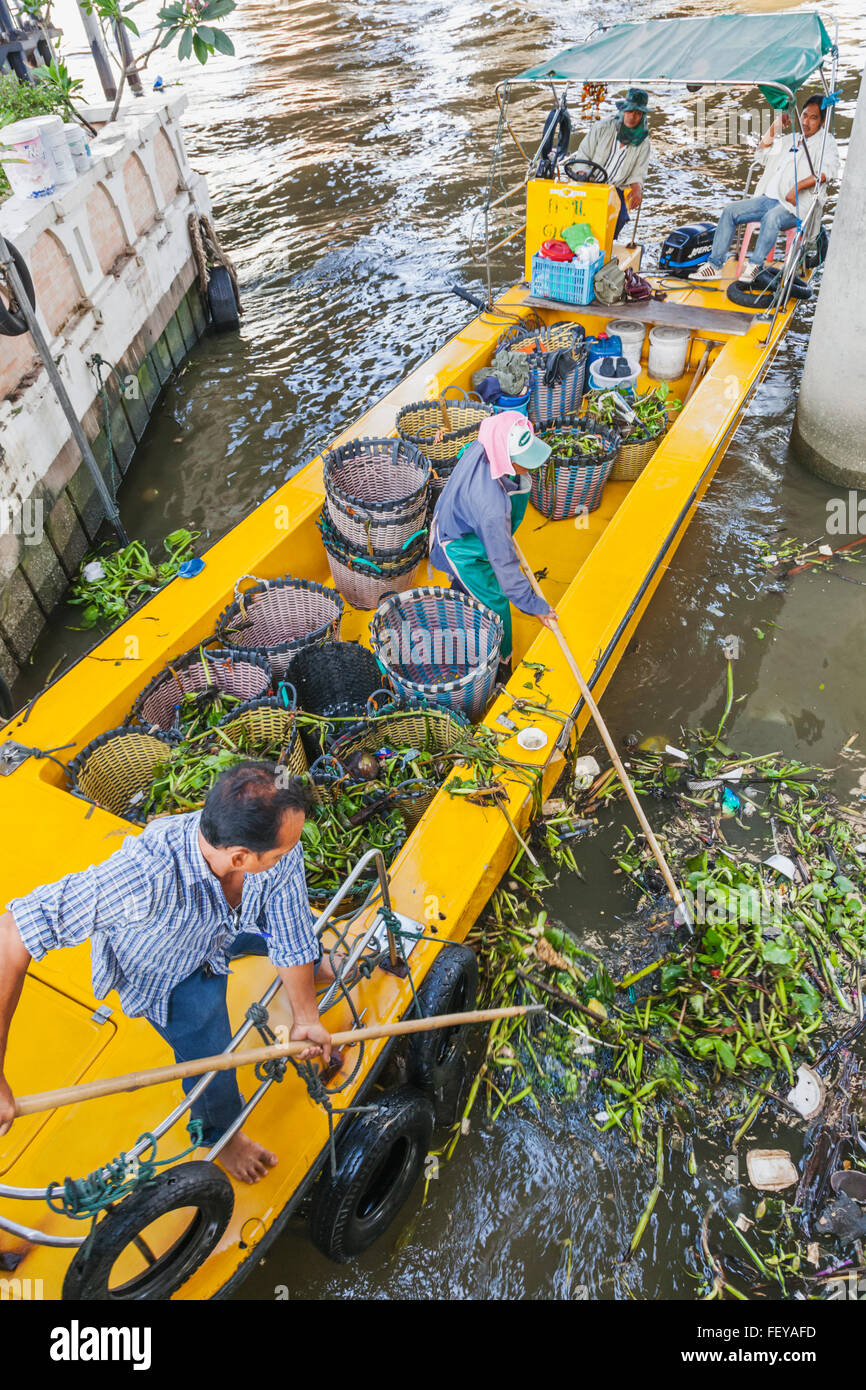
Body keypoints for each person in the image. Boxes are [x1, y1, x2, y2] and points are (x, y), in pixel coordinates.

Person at [0, 763, 333, 1185]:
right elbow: (13, 932)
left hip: (229, 924)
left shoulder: (273, 847)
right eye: (283, 853)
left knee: (295, 938)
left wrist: (306, 1019)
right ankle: (222, 1135)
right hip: (167, 966)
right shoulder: (145, 874)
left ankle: (307, 969)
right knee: (211, 1054)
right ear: (240, 858)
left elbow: (289, 927)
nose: (292, 854)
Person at [429, 412, 558, 682]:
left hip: (465, 520)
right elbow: (506, 567)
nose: (530, 466)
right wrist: (535, 605)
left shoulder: (484, 443)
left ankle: (464, 601)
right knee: (496, 600)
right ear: (506, 460)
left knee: (480, 589)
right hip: (460, 545)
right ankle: (501, 664)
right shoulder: (492, 509)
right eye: (524, 461)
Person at [690, 95, 840, 285]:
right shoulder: (791, 139)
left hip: (796, 205)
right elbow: (761, 151)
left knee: (772, 218)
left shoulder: (826, 143)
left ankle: (755, 266)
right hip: (768, 200)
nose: (806, 121)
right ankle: (714, 265)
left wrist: (796, 187)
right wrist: (776, 125)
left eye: (813, 117)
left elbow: (827, 172)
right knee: (730, 211)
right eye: (804, 115)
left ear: (822, 121)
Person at [572, 88, 653, 240]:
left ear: (642, 116)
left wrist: (637, 188)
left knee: (620, 217)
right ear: (623, 111)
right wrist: (582, 173)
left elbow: (639, 171)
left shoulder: (644, 143)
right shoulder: (602, 127)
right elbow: (583, 153)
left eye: (637, 113)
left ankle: (607, 244)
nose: (632, 117)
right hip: (590, 183)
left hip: (616, 188)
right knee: (579, 215)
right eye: (629, 111)